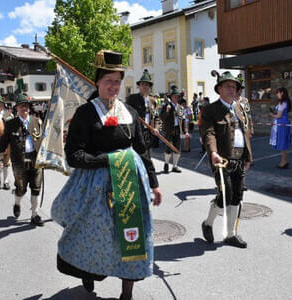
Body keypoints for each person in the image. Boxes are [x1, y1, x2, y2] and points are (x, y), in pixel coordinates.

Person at [51, 50, 162, 300]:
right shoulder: (86, 114)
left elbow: (142, 151)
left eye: (118, 81)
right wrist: (108, 160)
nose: (114, 86)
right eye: (108, 81)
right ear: (98, 82)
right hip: (95, 186)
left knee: (133, 236)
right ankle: (88, 272)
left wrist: (154, 184)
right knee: (96, 235)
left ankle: (127, 293)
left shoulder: (130, 113)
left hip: (130, 185)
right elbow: (74, 156)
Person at [201, 71, 253, 248]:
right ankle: (208, 223)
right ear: (219, 89)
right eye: (228, 86)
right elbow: (209, 133)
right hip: (221, 159)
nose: (232, 89)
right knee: (226, 195)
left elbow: (245, 134)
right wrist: (213, 152)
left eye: (234, 86)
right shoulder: (210, 110)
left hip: (239, 158)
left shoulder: (239, 108)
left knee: (237, 196)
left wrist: (248, 156)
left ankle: (231, 234)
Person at [0, 93, 44, 226]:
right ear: (16, 108)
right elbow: (3, 142)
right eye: (22, 106)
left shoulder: (36, 121)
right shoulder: (11, 124)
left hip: (35, 160)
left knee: (36, 187)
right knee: (21, 188)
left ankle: (35, 215)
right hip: (19, 161)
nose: (25, 108)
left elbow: (43, 139)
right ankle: (17, 203)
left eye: (27, 106)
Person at [126, 69, 158, 158]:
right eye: (142, 84)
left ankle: (148, 171)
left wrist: (156, 128)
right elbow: (126, 115)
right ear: (139, 86)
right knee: (138, 157)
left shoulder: (153, 101)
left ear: (150, 87)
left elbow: (156, 117)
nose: (145, 86)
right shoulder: (132, 99)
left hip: (149, 132)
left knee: (148, 156)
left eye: (147, 85)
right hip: (136, 133)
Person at [160, 85, 189, 173]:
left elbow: (184, 120)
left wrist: (186, 131)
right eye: (174, 96)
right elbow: (161, 117)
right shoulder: (166, 106)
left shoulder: (180, 108)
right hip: (169, 130)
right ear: (171, 97)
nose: (176, 98)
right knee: (169, 148)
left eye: (177, 97)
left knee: (177, 149)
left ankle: (175, 166)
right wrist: (166, 111)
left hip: (177, 130)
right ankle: (166, 163)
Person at [269, 87, 292, 169]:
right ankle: (284, 161)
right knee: (282, 142)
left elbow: (278, 115)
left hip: (281, 124)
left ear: (282, 93)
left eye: (278, 93)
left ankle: (284, 162)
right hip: (282, 123)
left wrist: (272, 115)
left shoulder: (283, 103)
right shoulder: (283, 102)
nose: (277, 94)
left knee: (282, 143)